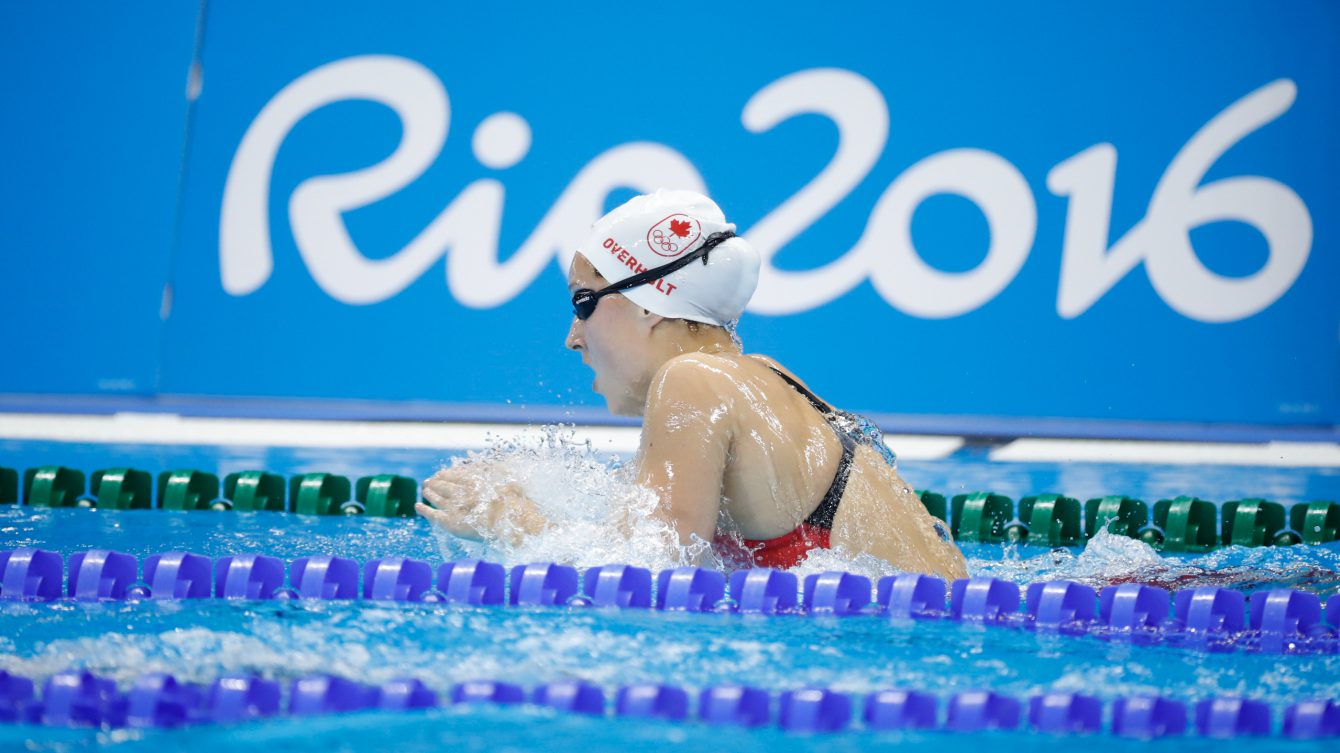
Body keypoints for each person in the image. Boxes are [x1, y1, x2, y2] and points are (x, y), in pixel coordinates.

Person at [417, 190, 967, 580]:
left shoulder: (692, 380)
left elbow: (646, 574)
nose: (572, 337)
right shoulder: (764, 377)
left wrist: (513, 521)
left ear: (651, 303)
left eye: (584, 304)